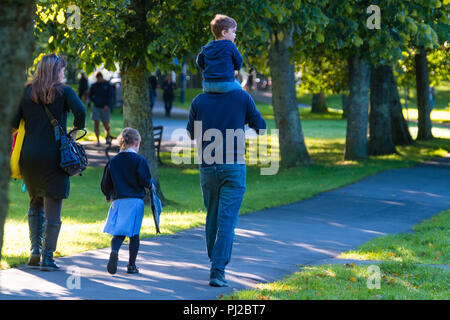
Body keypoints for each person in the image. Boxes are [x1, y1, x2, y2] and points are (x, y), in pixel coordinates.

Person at [12, 54, 86, 271]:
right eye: (62, 70)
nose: (64, 74)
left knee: (35, 202)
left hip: (29, 156)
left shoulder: (26, 91)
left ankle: (34, 252)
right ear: (55, 72)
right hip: (55, 156)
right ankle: (47, 258)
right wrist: (73, 132)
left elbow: (13, 123)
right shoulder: (64, 91)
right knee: (53, 206)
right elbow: (80, 111)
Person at [186, 89, 266, 287]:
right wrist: (242, 120)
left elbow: (190, 133)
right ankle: (218, 269)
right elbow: (261, 127)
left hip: (207, 166)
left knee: (212, 215)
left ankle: (215, 260)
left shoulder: (199, 100)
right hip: (233, 166)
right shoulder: (242, 97)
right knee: (227, 221)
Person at [101, 127, 152, 275]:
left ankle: (115, 251)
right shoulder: (139, 160)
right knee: (134, 234)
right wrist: (149, 186)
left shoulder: (114, 161)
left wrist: (108, 194)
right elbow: (145, 179)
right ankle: (131, 265)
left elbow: (105, 182)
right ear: (136, 143)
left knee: (119, 232)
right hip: (135, 201)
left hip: (118, 200)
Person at [196, 14, 243, 93]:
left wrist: (209, 68)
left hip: (207, 85)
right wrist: (235, 68)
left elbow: (199, 61)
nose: (235, 35)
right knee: (241, 92)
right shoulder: (230, 45)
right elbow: (239, 62)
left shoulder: (207, 47)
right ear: (224, 33)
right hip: (225, 84)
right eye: (233, 31)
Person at [89, 71, 113, 145]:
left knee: (106, 124)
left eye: (100, 78)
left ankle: (108, 136)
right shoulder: (94, 85)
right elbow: (90, 96)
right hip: (96, 107)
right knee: (96, 124)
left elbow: (110, 96)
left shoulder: (107, 85)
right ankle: (98, 140)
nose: (99, 79)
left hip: (105, 107)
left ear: (102, 77)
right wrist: (95, 101)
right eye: (98, 78)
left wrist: (107, 104)